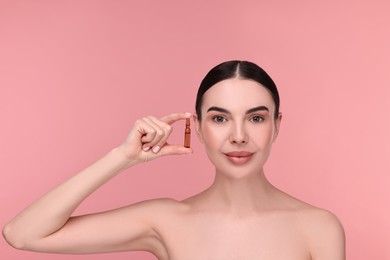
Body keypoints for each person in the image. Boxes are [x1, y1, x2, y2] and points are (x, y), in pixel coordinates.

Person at [2, 60, 345, 259]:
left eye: (256, 118)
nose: (238, 136)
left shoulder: (318, 227)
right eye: (219, 118)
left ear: (277, 125)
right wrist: (122, 157)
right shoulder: (165, 220)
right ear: (196, 127)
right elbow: (22, 234)